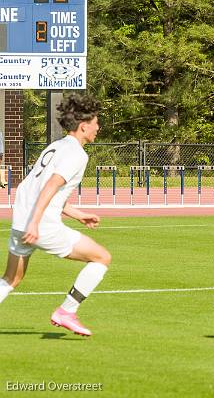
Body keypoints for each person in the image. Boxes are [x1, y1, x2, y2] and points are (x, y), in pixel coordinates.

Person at [0, 93, 110, 336]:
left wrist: (77, 214)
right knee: (101, 258)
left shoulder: (55, 146)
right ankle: (66, 311)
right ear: (83, 126)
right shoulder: (77, 154)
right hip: (40, 225)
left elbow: (37, 189)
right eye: (95, 123)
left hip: (20, 221)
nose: (98, 128)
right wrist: (36, 224)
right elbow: (50, 186)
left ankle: (66, 311)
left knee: (10, 279)